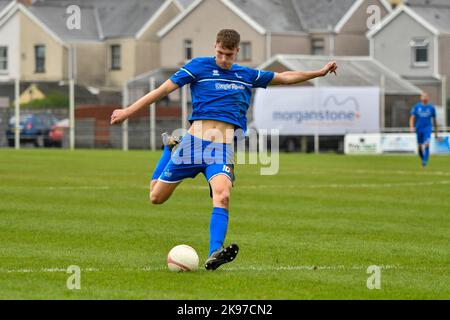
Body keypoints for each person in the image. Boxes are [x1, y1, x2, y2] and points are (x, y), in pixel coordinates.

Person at [110, 29, 338, 271]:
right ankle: (169, 150)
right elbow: (162, 91)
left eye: (229, 55)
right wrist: (127, 112)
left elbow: (285, 77)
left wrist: (319, 72)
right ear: (215, 46)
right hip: (192, 145)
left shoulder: (246, 75)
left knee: (223, 195)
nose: (224, 59)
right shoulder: (198, 67)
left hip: (221, 149)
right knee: (156, 197)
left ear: (237, 51)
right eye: (220, 53)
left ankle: (213, 253)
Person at [409, 92, 438, 168]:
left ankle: (424, 162)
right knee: (420, 147)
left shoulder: (431, 108)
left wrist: (436, 132)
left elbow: (434, 120)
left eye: (426, 96)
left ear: (428, 98)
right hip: (419, 129)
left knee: (427, 144)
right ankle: (423, 159)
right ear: (421, 98)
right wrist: (411, 127)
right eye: (423, 96)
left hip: (427, 129)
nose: (424, 97)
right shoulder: (416, 107)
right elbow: (412, 118)